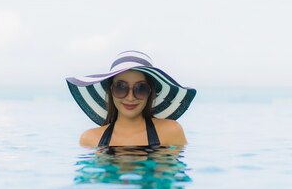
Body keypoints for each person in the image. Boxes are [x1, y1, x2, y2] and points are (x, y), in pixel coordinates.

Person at [66, 50, 196, 147]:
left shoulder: (171, 131)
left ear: (150, 92)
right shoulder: (90, 139)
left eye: (140, 88)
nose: (130, 97)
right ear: (110, 91)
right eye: (120, 87)